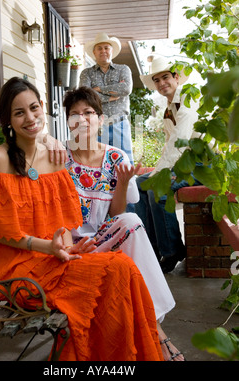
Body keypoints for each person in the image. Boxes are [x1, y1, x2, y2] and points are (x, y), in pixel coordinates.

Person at [0, 76, 163, 362]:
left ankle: (132, 354)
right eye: (19, 113)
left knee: (123, 266)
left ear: (43, 108)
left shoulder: (55, 158)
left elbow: (66, 222)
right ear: (7, 120)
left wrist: (67, 248)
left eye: (34, 108)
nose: (30, 118)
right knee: (110, 274)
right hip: (14, 267)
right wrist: (50, 249)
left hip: (51, 259)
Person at [63, 86, 185, 362]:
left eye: (88, 113)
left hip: (101, 238)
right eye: (74, 114)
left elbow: (115, 215)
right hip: (70, 246)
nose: (81, 120)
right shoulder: (60, 158)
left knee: (130, 219)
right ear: (67, 121)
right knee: (130, 225)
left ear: (101, 119)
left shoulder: (116, 157)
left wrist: (124, 182)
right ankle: (160, 336)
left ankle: (154, 329)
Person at [135, 55, 200, 274]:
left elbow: (180, 143)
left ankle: (172, 250)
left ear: (176, 77)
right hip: (182, 162)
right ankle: (151, 250)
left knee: (157, 188)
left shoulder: (187, 101)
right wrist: (156, 170)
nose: (162, 83)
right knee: (137, 184)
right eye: (157, 80)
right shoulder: (168, 108)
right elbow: (168, 144)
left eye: (165, 77)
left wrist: (160, 173)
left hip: (200, 164)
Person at [80, 32, 134, 163]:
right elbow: (85, 95)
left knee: (124, 162)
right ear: (94, 52)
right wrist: (110, 97)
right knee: (98, 163)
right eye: (99, 48)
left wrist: (99, 90)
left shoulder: (123, 69)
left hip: (119, 123)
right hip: (97, 126)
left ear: (112, 51)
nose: (103, 51)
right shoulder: (86, 73)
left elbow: (126, 88)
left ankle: (128, 184)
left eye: (106, 48)